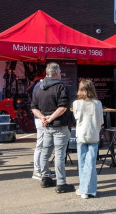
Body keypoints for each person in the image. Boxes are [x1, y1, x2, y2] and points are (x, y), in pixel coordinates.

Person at [31, 62, 75, 193]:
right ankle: (61, 183)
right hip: (59, 126)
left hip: (46, 126)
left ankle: (45, 178)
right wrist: (49, 118)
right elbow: (62, 107)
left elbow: (33, 107)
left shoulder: (39, 87)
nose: (61, 74)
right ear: (56, 72)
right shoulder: (61, 87)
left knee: (45, 152)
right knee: (60, 155)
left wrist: (43, 118)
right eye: (60, 72)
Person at [73, 80, 104, 199]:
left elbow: (76, 117)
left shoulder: (76, 103)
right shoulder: (98, 103)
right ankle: (89, 189)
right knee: (90, 163)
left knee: (82, 162)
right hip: (94, 134)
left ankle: (84, 188)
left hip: (81, 134)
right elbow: (101, 121)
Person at [31, 77, 45, 180]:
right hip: (42, 119)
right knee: (41, 145)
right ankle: (37, 170)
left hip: (41, 118)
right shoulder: (40, 86)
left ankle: (42, 170)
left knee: (43, 145)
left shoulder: (38, 86)